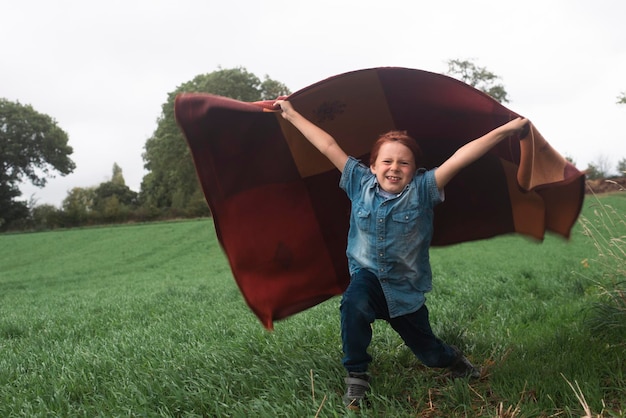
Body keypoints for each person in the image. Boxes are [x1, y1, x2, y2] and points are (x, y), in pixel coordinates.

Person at [274, 99, 528, 410]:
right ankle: (357, 375)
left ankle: (453, 360)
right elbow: (327, 145)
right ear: (373, 166)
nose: (394, 168)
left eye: (403, 163)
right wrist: (291, 114)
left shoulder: (423, 190)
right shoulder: (359, 183)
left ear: (414, 169)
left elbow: (461, 158)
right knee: (352, 305)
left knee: (430, 354)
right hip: (366, 277)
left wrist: (508, 129)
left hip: (404, 289)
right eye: (387, 161)